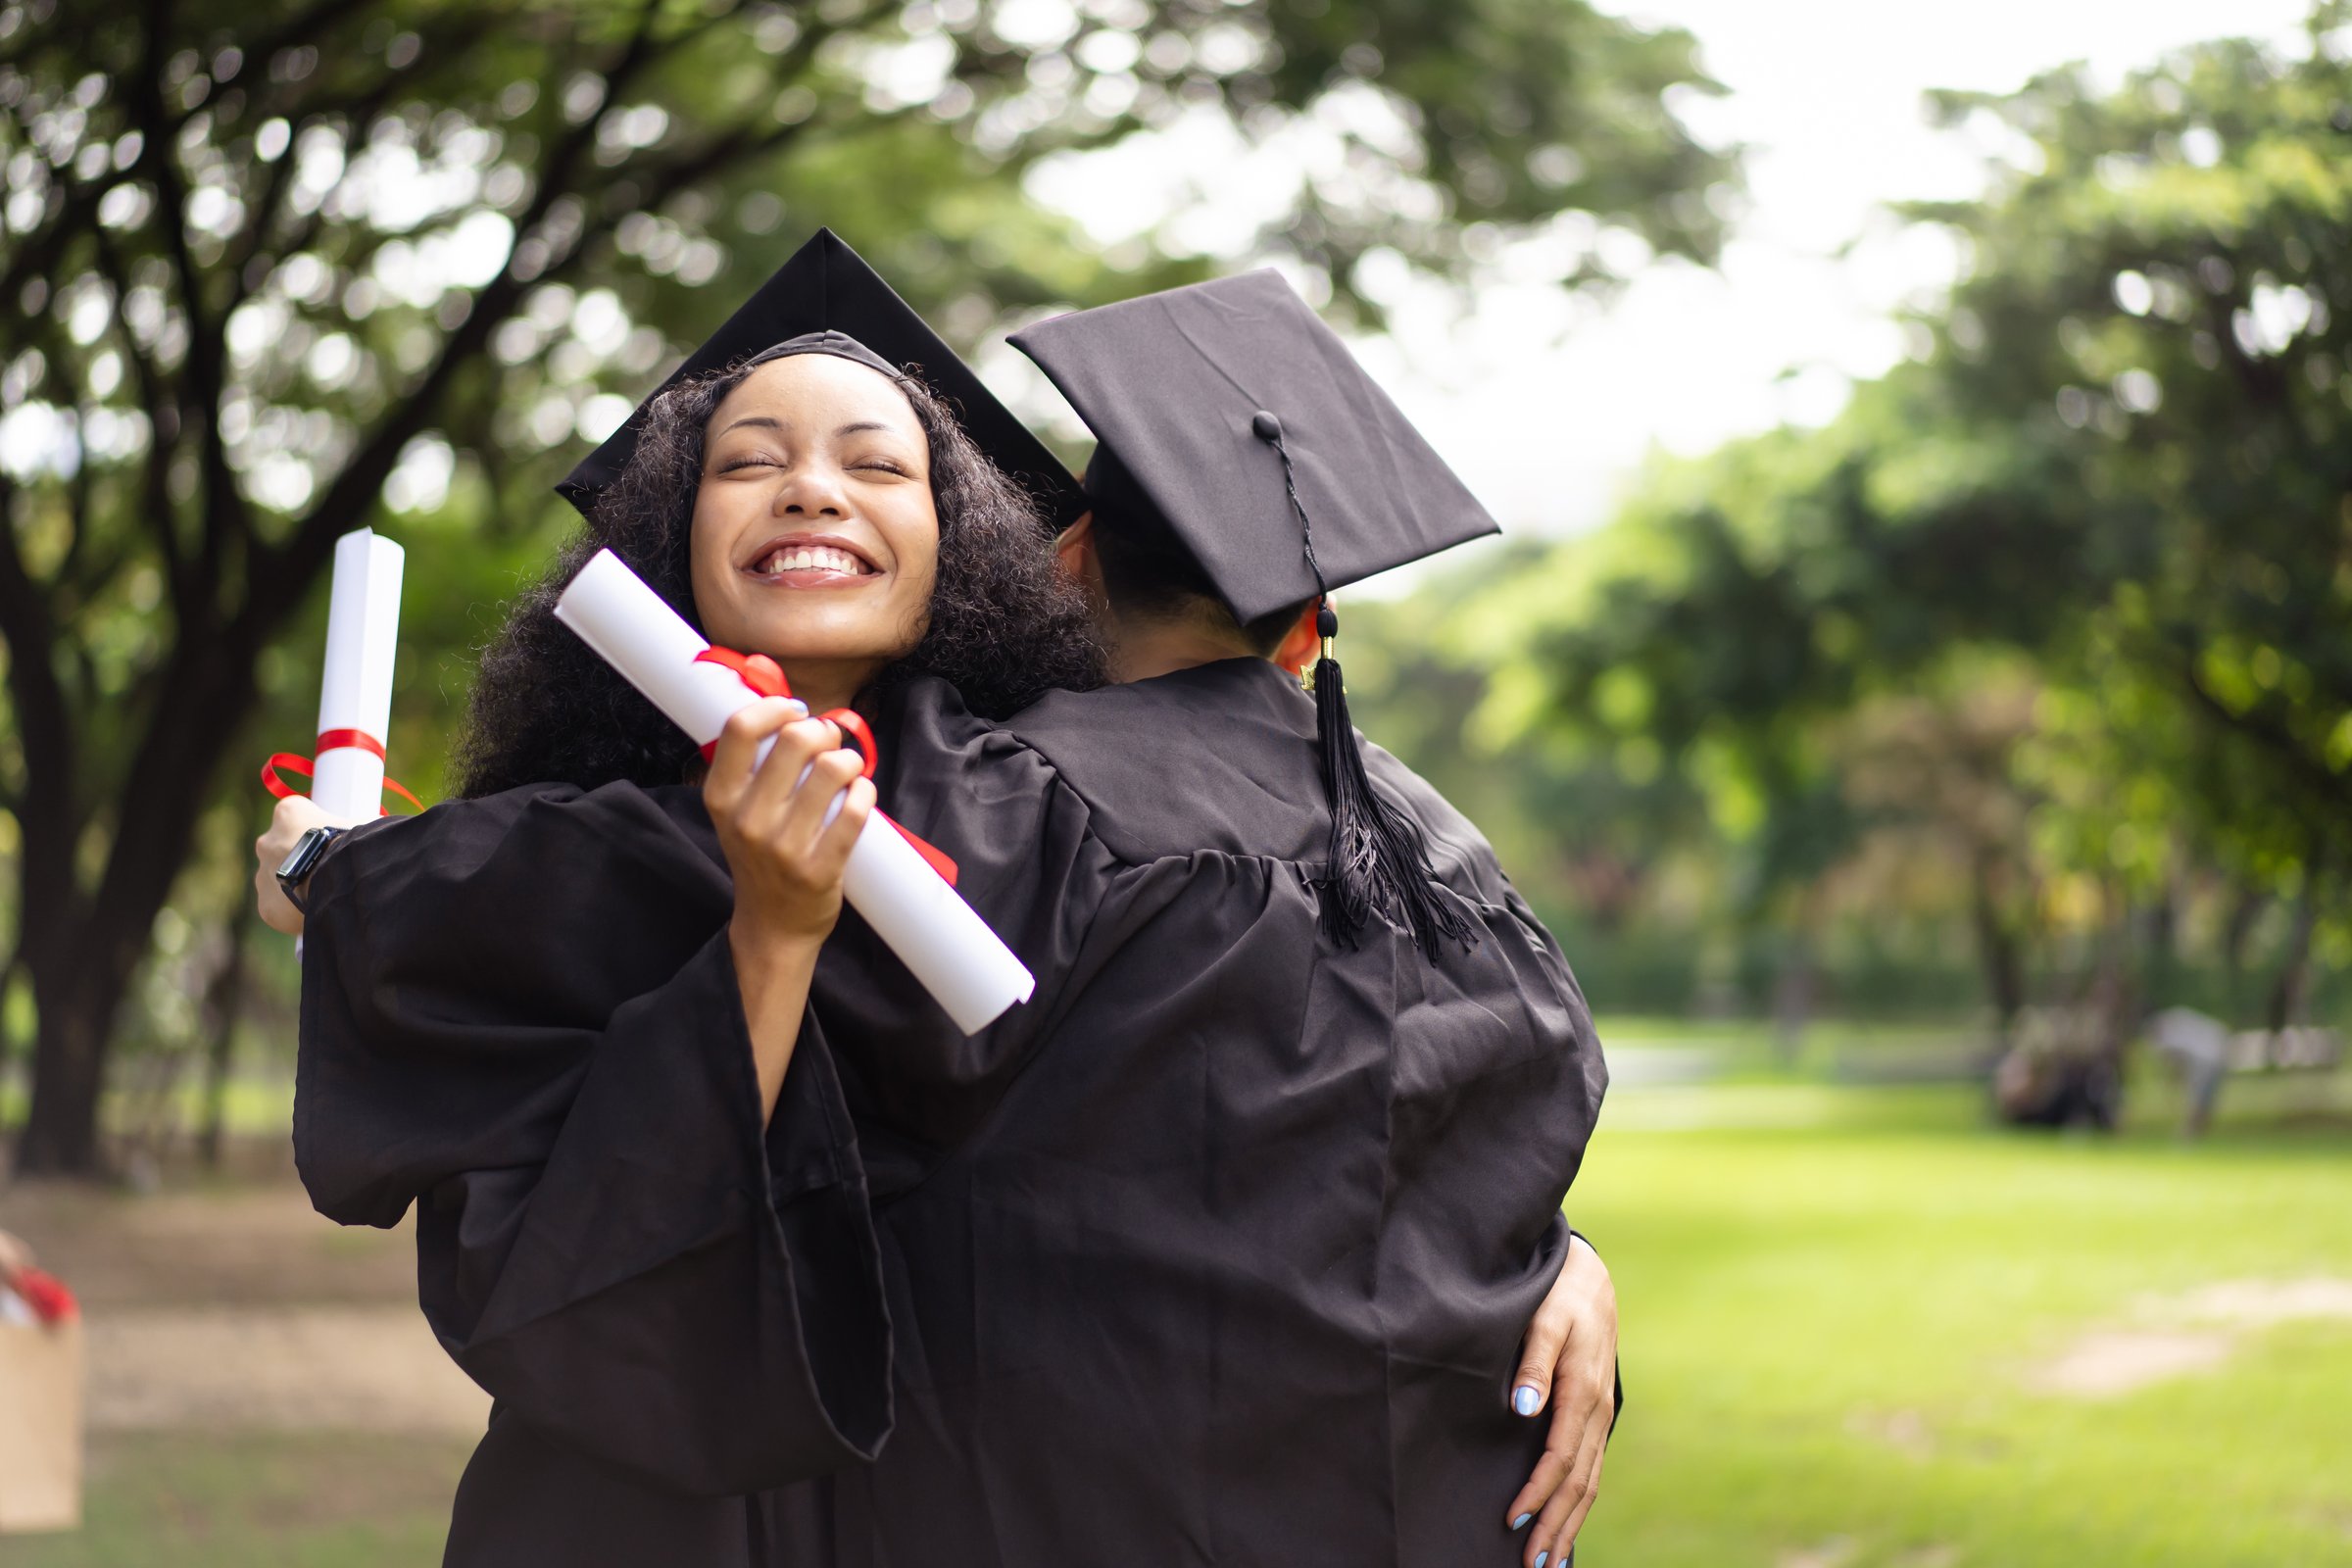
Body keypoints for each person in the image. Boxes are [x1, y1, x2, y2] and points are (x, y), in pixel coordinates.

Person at [264, 238, 1615, 1566]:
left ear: (1040, 560)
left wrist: (349, 874)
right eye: (746, 460)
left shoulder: (1001, 807)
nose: (810, 495)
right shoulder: (1442, 858)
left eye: (877, 463)